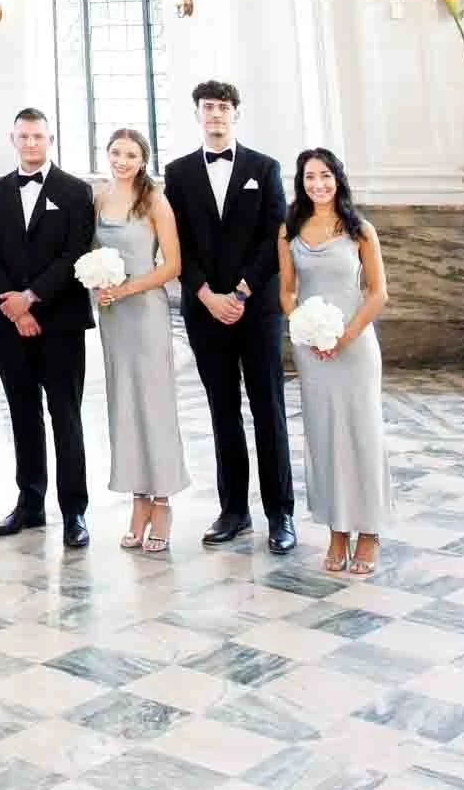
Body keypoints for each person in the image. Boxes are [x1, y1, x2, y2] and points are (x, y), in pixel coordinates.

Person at [165, 79, 296, 554]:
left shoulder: (266, 168)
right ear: (197, 115)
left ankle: (280, 514)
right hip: (204, 311)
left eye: (223, 107)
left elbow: (274, 238)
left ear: (236, 114)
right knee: (223, 412)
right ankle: (234, 511)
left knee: (269, 410)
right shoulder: (177, 173)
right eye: (207, 107)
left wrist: (239, 291)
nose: (215, 115)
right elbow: (178, 242)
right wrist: (205, 293)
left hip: (255, 309)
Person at [0, 105, 96, 549]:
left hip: (60, 322)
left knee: (65, 416)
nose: (30, 144)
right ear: (12, 140)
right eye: (23, 137)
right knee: (23, 415)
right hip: (10, 324)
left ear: (50, 140)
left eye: (38, 137)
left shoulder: (76, 190)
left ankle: (75, 513)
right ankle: (30, 503)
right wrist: (15, 306)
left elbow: (74, 254)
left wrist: (32, 299)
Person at [279, 148, 391, 577]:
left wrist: (343, 335)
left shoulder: (360, 230)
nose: (318, 184)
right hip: (314, 351)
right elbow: (287, 292)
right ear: (301, 182)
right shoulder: (289, 230)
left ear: (338, 180)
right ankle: (336, 530)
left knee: (362, 435)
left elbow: (378, 292)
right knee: (324, 436)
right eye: (310, 177)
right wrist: (305, 326)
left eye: (325, 176)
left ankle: (369, 531)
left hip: (356, 348)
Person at [92, 126, 187, 551]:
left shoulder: (155, 200)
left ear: (143, 159)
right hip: (112, 315)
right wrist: (95, 282)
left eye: (131, 154)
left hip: (144, 309)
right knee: (123, 402)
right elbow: (90, 253)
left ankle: (162, 500)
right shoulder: (99, 198)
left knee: (153, 401)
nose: (122, 161)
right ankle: (138, 499)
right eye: (116, 153)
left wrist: (129, 288)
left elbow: (173, 265)